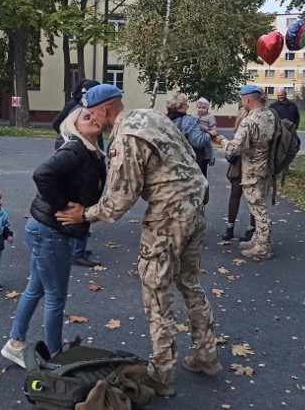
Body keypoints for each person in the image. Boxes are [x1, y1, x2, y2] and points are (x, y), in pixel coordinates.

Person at [55, 84, 220, 398]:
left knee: (157, 296)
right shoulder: (152, 116)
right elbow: (187, 154)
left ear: (104, 109)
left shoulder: (126, 137)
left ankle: (162, 376)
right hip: (196, 209)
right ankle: (207, 355)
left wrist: (85, 214)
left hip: (168, 219)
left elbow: (119, 200)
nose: (88, 117)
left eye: (90, 112)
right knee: (189, 283)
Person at [1, 107, 107, 368]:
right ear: (75, 126)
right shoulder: (75, 150)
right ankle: (55, 359)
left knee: (36, 289)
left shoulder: (91, 152)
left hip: (44, 229)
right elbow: (42, 174)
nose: (93, 119)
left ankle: (15, 344)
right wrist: (64, 206)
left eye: (95, 116)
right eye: (86, 117)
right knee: (55, 296)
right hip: (49, 231)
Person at [217, 84, 275, 260]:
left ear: (248, 99)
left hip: (252, 172)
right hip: (265, 168)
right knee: (259, 205)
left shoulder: (249, 121)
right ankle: (257, 241)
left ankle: (263, 248)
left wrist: (222, 140)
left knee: (259, 210)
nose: (242, 103)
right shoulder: (269, 115)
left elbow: (234, 148)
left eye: (242, 100)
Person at [52, 79, 102, 267]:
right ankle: (76, 251)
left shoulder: (81, 111)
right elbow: (43, 176)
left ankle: (76, 247)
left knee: (83, 204)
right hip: (80, 171)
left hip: (86, 165)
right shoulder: (78, 110)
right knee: (81, 205)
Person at [221, 107, 256, 242]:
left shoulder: (256, 120)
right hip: (238, 164)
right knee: (235, 194)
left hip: (251, 165)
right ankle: (230, 227)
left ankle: (252, 228)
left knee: (252, 197)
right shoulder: (241, 122)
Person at [165, 93, 213, 178]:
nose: (187, 107)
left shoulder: (163, 120)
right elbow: (199, 141)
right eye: (185, 104)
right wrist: (210, 134)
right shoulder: (188, 121)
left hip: (168, 163)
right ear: (180, 106)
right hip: (188, 165)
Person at [191, 97, 217, 169]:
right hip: (195, 135)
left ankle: (211, 157)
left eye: (203, 108)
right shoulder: (193, 116)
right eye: (199, 107)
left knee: (209, 145)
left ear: (207, 109)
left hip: (205, 134)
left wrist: (211, 133)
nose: (201, 109)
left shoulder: (210, 117)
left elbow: (213, 127)